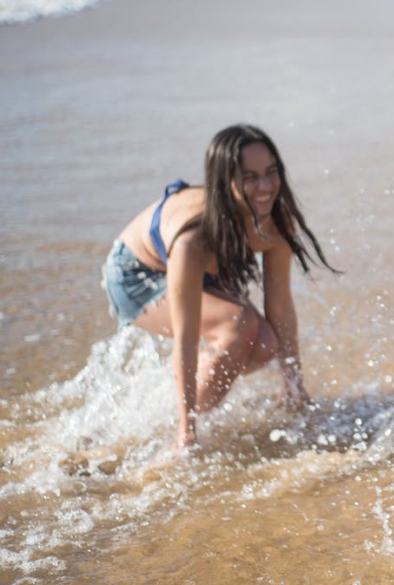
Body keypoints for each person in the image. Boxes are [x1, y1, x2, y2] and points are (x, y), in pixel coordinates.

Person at [101, 124, 338, 450]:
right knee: (237, 326)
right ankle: (171, 432)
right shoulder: (192, 241)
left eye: (271, 172)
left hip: (208, 263)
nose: (265, 186)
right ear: (224, 183)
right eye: (250, 177)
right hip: (137, 274)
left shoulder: (276, 222)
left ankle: (197, 386)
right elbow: (184, 338)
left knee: (265, 344)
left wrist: (294, 381)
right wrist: (188, 430)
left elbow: (280, 305)